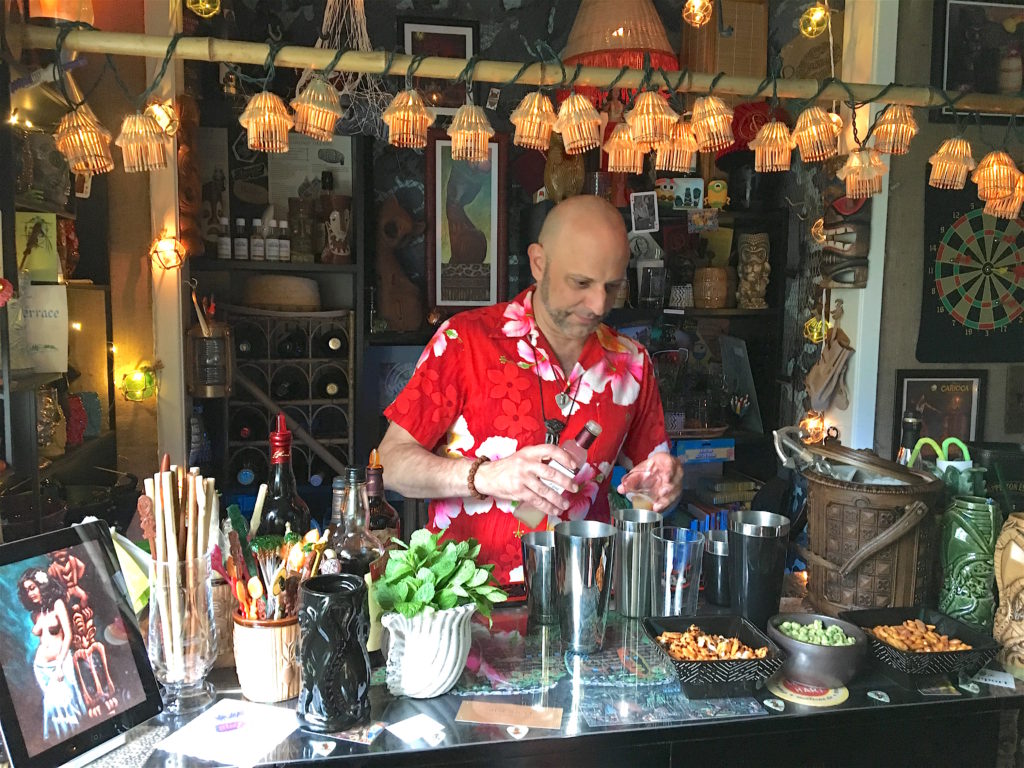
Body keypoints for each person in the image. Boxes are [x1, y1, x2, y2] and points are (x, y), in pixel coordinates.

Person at [380, 195, 683, 584]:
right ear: (539, 263)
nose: (598, 303)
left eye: (612, 286)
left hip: (583, 602)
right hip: (467, 604)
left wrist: (668, 481)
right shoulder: (464, 342)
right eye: (581, 283)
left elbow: (653, 476)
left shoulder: (633, 362)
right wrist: (486, 476)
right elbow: (388, 463)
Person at [18, 567, 84, 740]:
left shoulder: (58, 604)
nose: (30, 593)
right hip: (40, 667)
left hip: (60, 663)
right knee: (53, 707)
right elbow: (43, 640)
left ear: (42, 585)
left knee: (66, 703)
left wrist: (60, 665)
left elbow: (68, 635)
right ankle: (59, 742)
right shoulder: (35, 614)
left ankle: (76, 739)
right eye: (27, 591)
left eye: (32, 588)